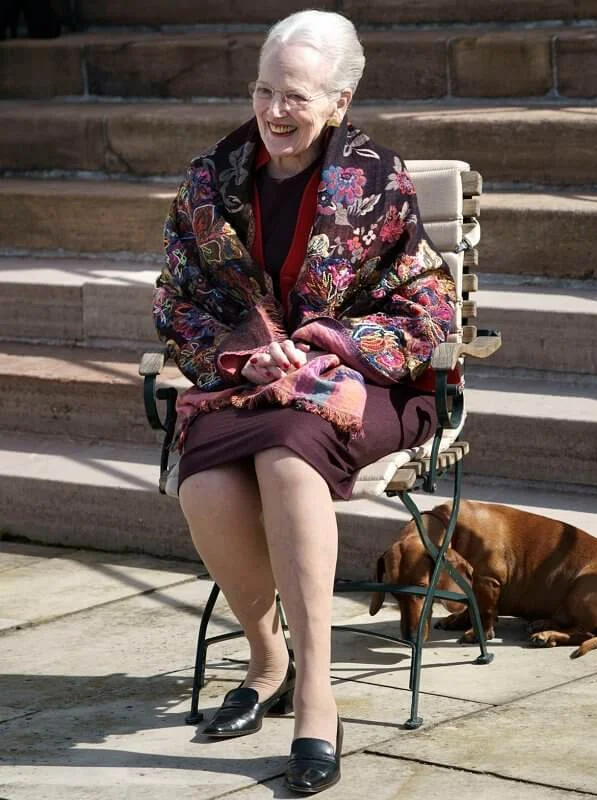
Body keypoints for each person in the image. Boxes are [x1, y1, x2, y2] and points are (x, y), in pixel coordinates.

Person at [153, 9, 456, 794]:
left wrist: (326, 343)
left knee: (287, 457)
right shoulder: (207, 178)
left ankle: (315, 694)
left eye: (295, 96)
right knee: (210, 479)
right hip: (247, 383)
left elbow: (427, 305)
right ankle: (266, 661)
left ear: (339, 103)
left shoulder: (376, 181)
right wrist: (243, 345)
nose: (274, 111)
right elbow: (176, 300)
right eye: (263, 91)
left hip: (367, 388)